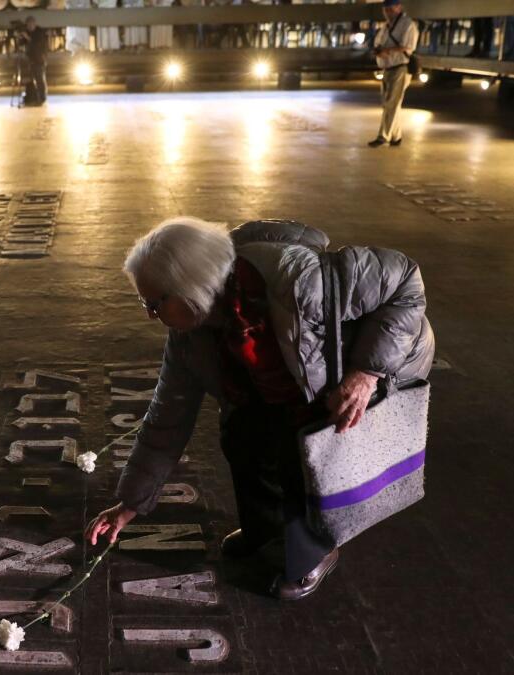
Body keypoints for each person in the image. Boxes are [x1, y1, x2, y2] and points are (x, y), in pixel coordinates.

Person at [85, 217, 434, 601]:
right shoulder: (191, 334)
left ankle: (317, 549)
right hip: (292, 381)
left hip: (369, 369)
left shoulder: (297, 282)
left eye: (153, 304)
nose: (150, 315)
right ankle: (268, 533)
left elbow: (405, 281)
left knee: (301, 447)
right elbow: (168, 416)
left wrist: (366, 373)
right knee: (241, 432)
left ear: (190, 290)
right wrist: (130, 505)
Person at [368, 0, 416, 148]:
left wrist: (387, 51)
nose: (388, 12)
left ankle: (383, 136)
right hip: (387, 68)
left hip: (400, 67)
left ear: (399, 7)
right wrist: (378, 51)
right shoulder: (385, 26)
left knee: (391, 103)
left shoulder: (408, 24)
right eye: (385, 9)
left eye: (390, 8)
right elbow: (378, 42)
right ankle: (396, 136)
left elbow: (408, 46)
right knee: (389, 103)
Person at [17, 16, 48, 106]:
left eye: (31, 24)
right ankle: (34, 97)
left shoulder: (39, 32)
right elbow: (21, 44)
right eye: (28, 25)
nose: (29, 27)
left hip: (39, 58)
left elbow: (36, 44)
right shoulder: (27, 32)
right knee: (32, 79)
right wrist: (20, 37)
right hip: (30, 59)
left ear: (34, 24)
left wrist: (27, 37)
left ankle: (42, 98)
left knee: (39, 80)